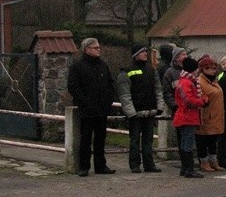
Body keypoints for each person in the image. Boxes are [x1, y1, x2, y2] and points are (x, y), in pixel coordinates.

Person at [67, 38, 116, 176]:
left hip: (102, 109)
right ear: (87, 49)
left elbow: (110, 85)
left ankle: (101, 165)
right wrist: (84, 102)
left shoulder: (103, 65)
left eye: (99, 47)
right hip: (87, 110)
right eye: (96, 48)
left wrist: (108, 101)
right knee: (86, 139)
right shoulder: (78, 67)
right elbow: (73, 87)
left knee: (100, 139)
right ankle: (84, 166)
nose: (99, 50)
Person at [116, 45, 165, 173]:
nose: (145, 54)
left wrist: (159, 107)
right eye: (143, 52)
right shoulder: (126, 71)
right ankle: (134, 164)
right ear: (136, 54)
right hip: (135, 112)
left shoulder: (151, 70)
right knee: (134, 140)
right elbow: (125, 94)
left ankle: (149, 164)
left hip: (149, 110)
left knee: (148, 140)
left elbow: (158, 89)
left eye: (145, 52)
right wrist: (131, 112)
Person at [173, 56, 206, 178]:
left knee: (184, 143)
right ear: (193, 69)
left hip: (185, 116)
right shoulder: (187, 82)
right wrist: (202, 102)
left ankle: (185, 168)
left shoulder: (184, 81)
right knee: (187, 143)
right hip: (187, 116)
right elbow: (189, 100)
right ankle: (189, 169)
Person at [196, 55, 224, 172]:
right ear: (204, 69)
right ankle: (204, 162)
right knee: (203, 140)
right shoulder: (200, 82)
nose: (214, 70)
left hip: (216, 116)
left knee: (213, 140)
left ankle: (213, 161)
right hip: (206, 115)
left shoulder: (214, 81)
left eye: (215, 68)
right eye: (211, 68)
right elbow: (201, 98)